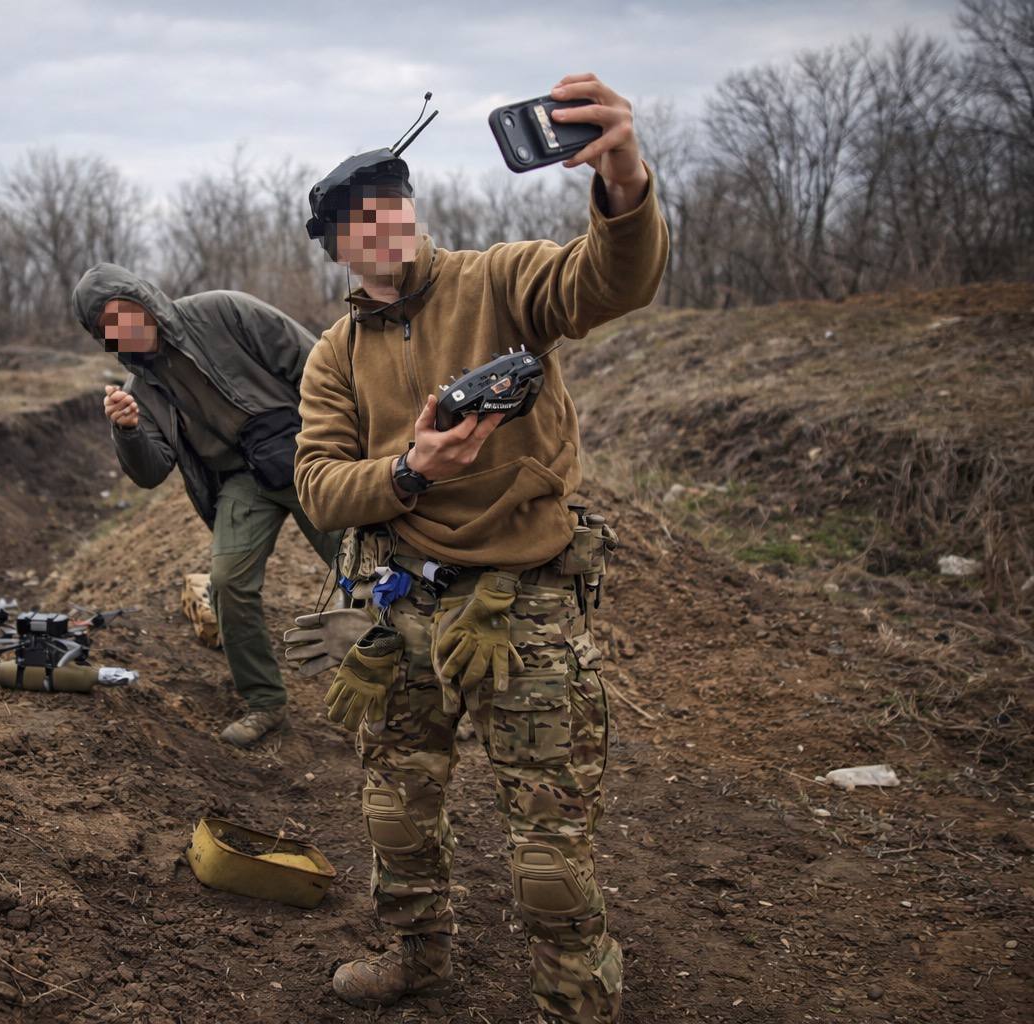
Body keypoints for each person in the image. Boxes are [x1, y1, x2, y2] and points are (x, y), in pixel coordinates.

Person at [292, 73, 669, 1023]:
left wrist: (622, 179)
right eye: (358, 223)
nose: (382, 228)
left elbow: (611, 280)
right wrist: (408, 471)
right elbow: (318, 485)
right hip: (402, 606)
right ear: (338, 248)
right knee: (395, 810)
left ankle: (574, 1000)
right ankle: (417, 956)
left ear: (412, 213)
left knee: (548, 842)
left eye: (393, 207)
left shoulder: (499, 281)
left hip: (523, 601)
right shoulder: (336, 353)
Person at [72, 264, 340, 746]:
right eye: (107, 328)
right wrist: (127, 430)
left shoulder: (223, 311)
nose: (123, 329)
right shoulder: (140, 393)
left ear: (143, 299)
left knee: (363, 569)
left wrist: (337, 441)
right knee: (228, 583)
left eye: (123, 313)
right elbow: (150, 472)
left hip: (306, 452)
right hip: (243, 480)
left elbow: (315, 362)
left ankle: (424, 688)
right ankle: (265, 703)